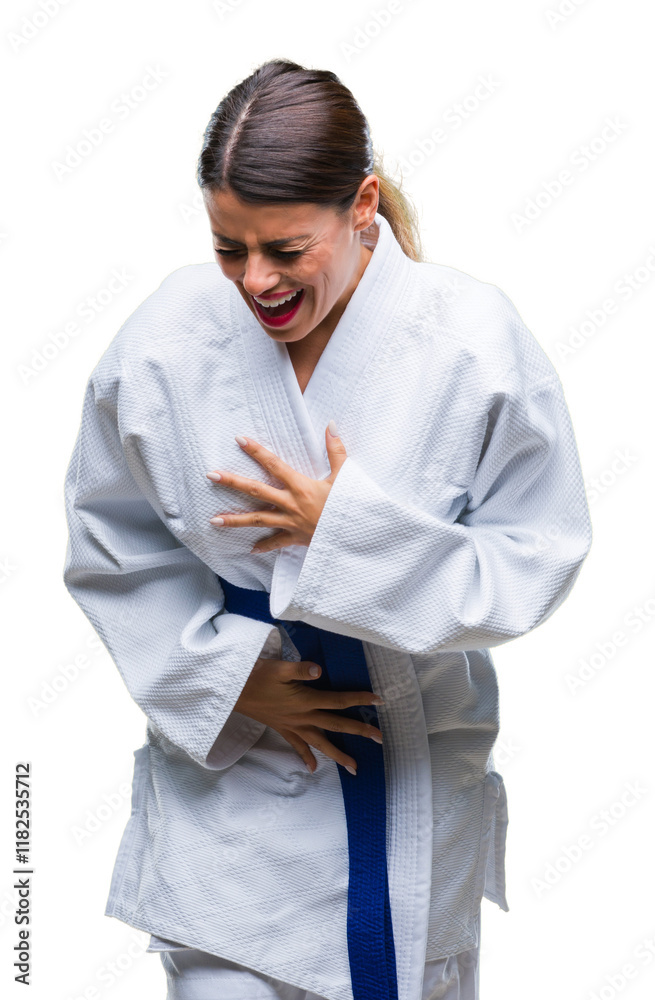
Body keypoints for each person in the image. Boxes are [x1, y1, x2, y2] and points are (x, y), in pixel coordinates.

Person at [62, 58, 592, 1000]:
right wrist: (231, 685)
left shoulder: (470, 338)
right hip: (236, 799)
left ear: (363, 205)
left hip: (410, 775)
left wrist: (345, 531)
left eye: (285, 248)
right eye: (230, 247)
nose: (255, 280)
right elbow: (111, 544)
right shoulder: (165, 339)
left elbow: (535, 555)